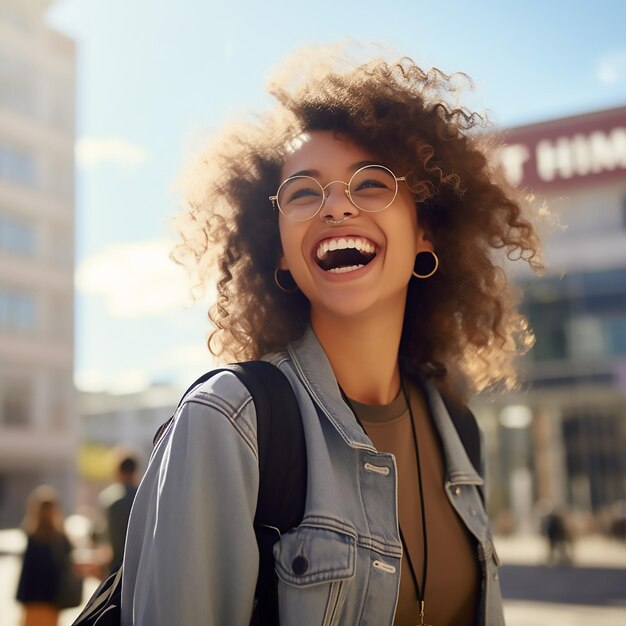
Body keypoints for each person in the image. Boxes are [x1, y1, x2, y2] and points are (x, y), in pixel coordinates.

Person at [121, 46, 542, 626]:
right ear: (282, 253)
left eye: (371, 184)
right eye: (302, 192)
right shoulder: (226, 421)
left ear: (426, 232)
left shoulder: (460, 432)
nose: (336, 207)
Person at [16, 485, 74, 626]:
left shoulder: (32, 536)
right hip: (52, 601)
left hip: (32, 601)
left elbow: (26, 572)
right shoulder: (61, 538)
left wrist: (21, 598)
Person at [94, 452, 140, 571]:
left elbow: (103, 538)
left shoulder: (110, 499)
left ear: (118, 471)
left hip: (116, 567)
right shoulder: (146, 498)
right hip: (140, 565)